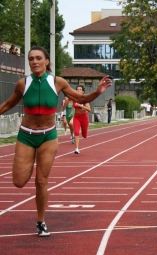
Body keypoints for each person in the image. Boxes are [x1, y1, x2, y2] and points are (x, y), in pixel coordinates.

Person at [0, 46, 112, 236]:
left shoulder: (57, 82)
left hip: (48, 136)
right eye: (31, 59)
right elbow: (8, 104)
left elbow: (82, 97)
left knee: (41, 181)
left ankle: (41, 221)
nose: (34, 62)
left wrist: (99, 91)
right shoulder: (22, 84)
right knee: (19, 182)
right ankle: (29, 167)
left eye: (38, 58)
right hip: (26, 135)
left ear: (47, 62)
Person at [73, 85, 91, 154]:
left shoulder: (85, 100)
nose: (78, 91)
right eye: (77, 89)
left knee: (84, 135)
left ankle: (85, 133)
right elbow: (71, 106)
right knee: (76, 132)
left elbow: (89, 109)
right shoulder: (74, 99)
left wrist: (80, 106)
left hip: (84, 117)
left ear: (83, 91)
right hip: (77, 117)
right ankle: (76, 148)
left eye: (80, 90)